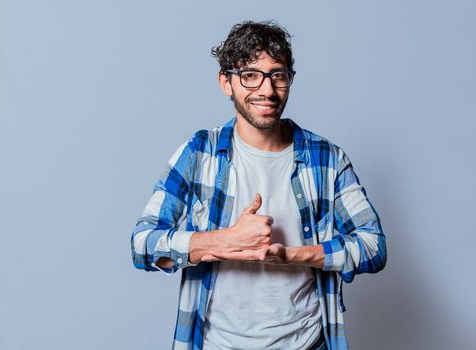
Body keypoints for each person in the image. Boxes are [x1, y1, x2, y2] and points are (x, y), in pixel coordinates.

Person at [131, 20, 387, 350]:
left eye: (277, 75)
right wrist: (223, 240)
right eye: (251, 75)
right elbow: (142, 244)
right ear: (226, 82)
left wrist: (297, 256)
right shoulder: (200, 153)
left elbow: (373, 246)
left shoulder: (326, 158)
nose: (267, 89)